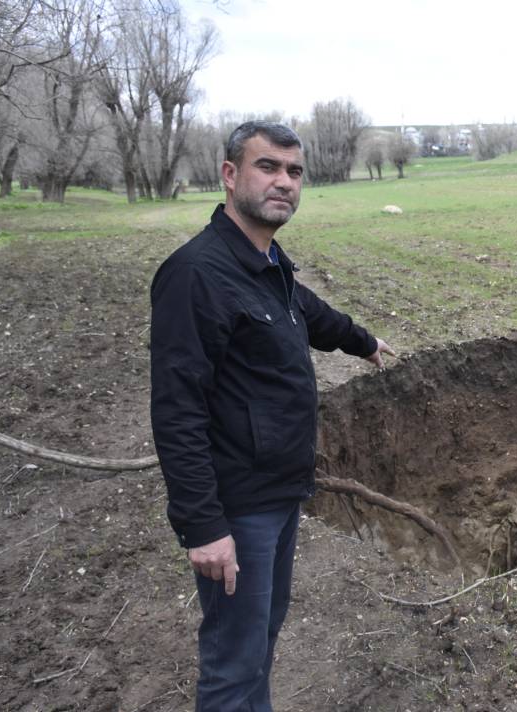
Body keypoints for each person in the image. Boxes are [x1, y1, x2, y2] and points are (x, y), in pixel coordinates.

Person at [149, 120, 394, 711]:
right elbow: (177, 410)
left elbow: (307, 311)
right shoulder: (197, 275)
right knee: (234, 662)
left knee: (260, 641)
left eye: (294, 171)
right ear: (230, 176)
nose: (284, 182)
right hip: (239, 506)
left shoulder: (266, 261)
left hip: (281, 491)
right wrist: (204, 526)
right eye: (268, 167)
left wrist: (363, 342)